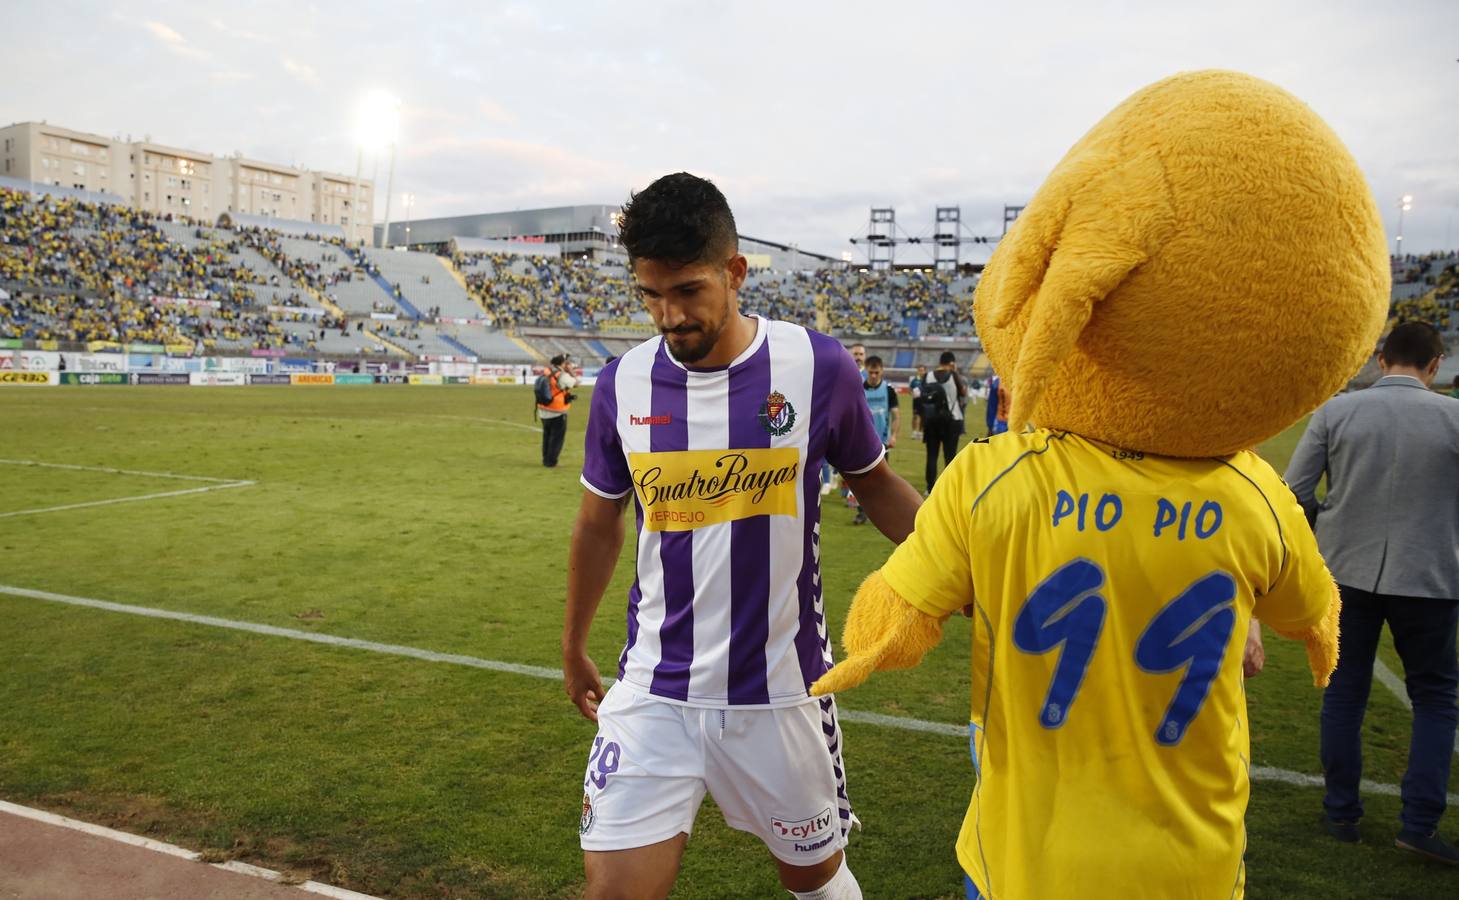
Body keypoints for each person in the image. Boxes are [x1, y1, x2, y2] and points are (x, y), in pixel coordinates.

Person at [562, 172, 922, 900]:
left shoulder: (815, 367)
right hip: (652, 692)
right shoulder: (621, 384)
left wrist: (965, 566)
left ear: (734, 272)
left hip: (780, 693)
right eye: (649, 295)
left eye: (687, 291)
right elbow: (599, 522)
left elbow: (875, 484)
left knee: (815, 882)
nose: (667, 316)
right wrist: (571, 645)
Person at [1284, 321, 1459, 863]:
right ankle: (1419, 824)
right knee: (1434, 697)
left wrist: (1328, 525)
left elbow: (1293, 493)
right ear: (1434, 365)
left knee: (1344, 690)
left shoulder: (1336, 411)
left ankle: (1341, 813)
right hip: (1430, 577)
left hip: (1346, 571)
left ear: (1381, 359)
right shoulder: (1453, 417)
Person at [852, 356, 900, 525]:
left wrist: (893, 435)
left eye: (876, 372)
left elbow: (895, 415)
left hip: (882, 443)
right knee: (862, 481)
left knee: (882, 480)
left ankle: (883, 514)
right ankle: (861, 512)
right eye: (870, 372)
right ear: (866, 370)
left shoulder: (889, 390)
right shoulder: (859, 389)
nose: (873, 375)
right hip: (863, 442)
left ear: (882, 371)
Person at [920, 351, 967, 493]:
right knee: (950, 456)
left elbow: (922, 397)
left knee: (931, 456)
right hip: (951, 420)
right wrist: (956, 372)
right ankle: (949, 489)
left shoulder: (927, 376)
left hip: (931, 421)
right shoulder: (953, 375)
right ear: (952, 363)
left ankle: (930, 488)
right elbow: (963, 393)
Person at [537, 354, 577, 468]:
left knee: (547, 436)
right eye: (566, 363)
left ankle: (546, 459)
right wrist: (571, 371)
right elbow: (576, 383)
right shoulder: (561, 375)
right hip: (557, 411)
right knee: (557, 439)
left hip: (543, 409)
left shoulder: (547, 371)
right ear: (562, 363)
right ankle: (551, 462)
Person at [909, 364, 928, 440]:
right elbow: (910, 389)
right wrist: (912, 393)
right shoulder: (914, 380)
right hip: (916, 401)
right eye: (919, 370)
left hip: (924, 401)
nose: (921, 372)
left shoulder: (927, 380)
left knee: (923, 417)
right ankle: (914, 432)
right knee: (915, 416)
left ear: (925, 371)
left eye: (922, 370)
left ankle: (920, 432)